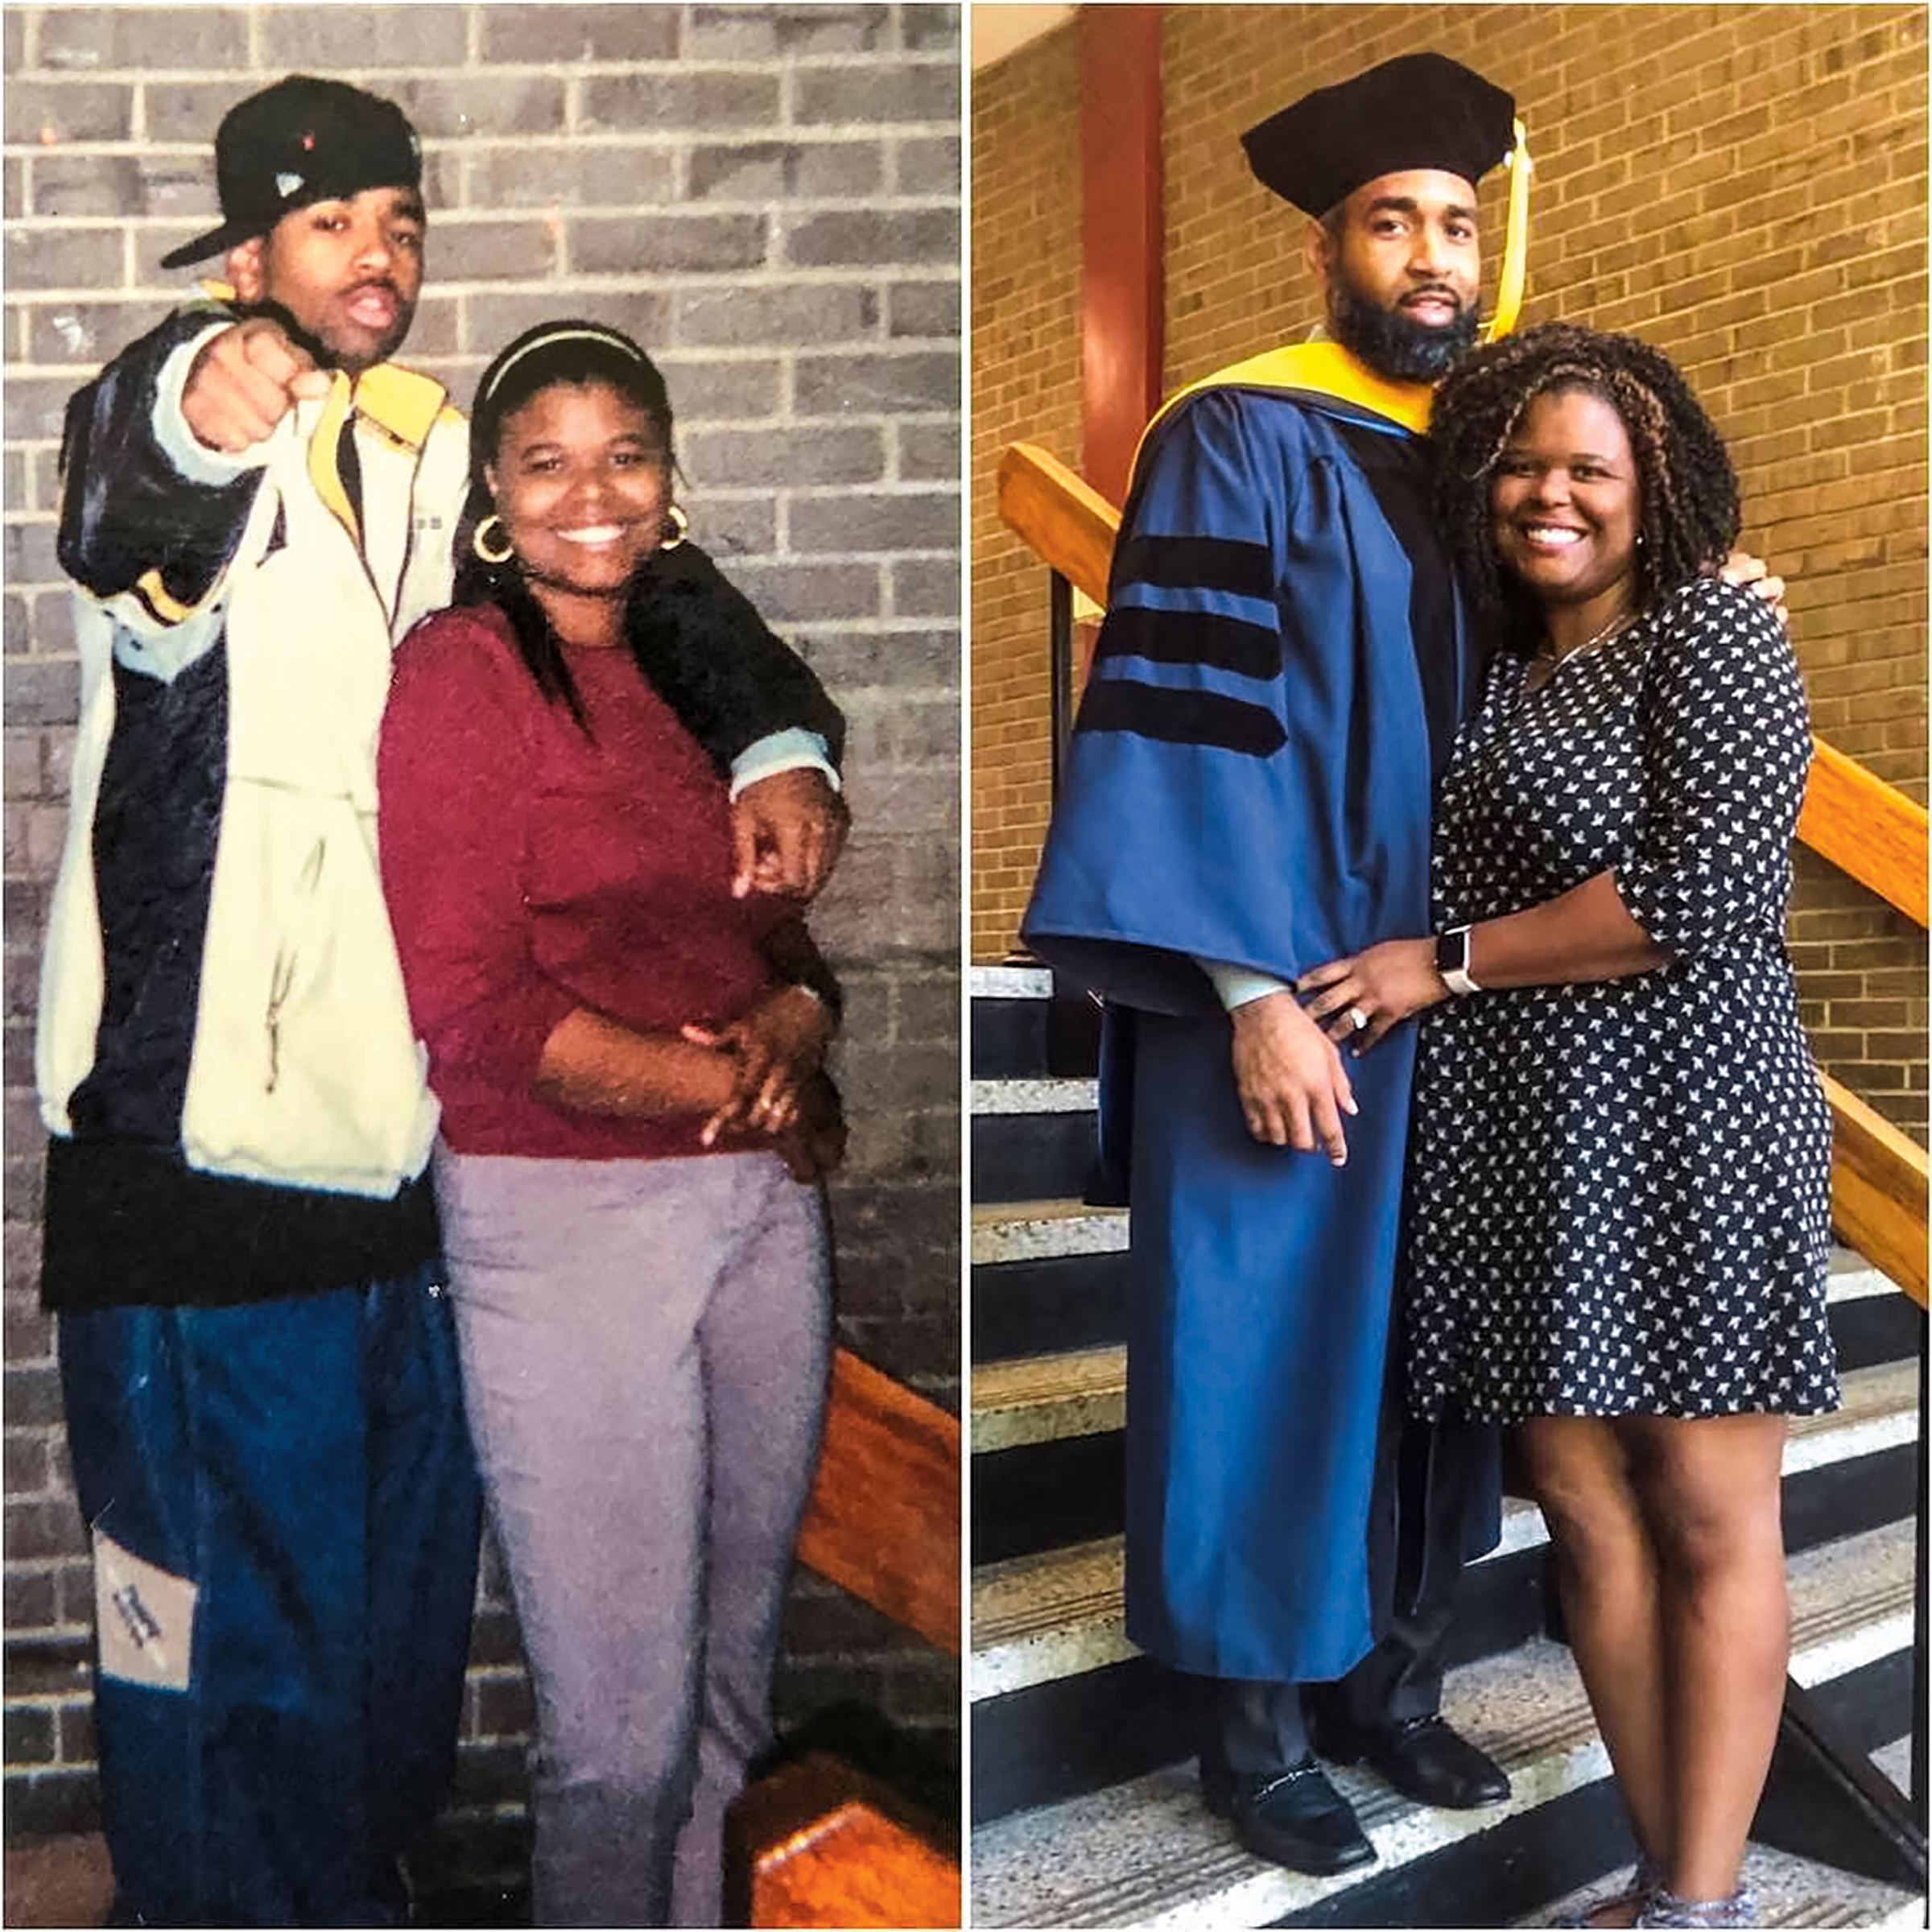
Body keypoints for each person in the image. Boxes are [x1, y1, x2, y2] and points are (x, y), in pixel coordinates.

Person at [37, 76, 844, 1926]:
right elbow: (121, 511)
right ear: (249, 261)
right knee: (215, 1637)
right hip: (191, 1167)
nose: (375, 258)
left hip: (400, 1156)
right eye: (329, 229)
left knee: (379, 1648)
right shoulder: (207, 433)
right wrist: (186, 389)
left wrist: (781, 738)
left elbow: (641, 572)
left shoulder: (425, 448)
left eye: (398, 221)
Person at [1021, 53, 1525, 1876]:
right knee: (1259, 1345)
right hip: (1291, 992)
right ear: (1331, 250)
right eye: (1391, 223)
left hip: (1445, 1002)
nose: (1430, 258)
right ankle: (1252, 1733)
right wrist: (1242, 994)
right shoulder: (1235, 436)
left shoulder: (1483, 467)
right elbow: (1175, 731)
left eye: (1456, 224)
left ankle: (1393, 1688)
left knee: (1420, 1358)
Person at [1298, 324, 1836, 1931]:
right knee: (1583, 1501)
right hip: (1528, 1132)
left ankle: (1701, 1901)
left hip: (1690, 1113)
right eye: (1522, 462)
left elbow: (1705, 891)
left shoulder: (1711, 633)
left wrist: (1440, 963)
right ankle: (1678, 1876)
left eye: (1588, 467)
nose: (1551, 493)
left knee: (1704, 1505)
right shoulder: (1490, 663)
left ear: (1652, 485)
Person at [377, 320, 846, 1930]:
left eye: (626, 453)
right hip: (564, 1222)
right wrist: (727, 1079)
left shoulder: (696, 670)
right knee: (618, 1742)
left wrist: (797, 1016)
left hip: (760, 1218)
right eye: (548, 459)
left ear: (669, 480)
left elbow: (762, 934)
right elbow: (472, 1007)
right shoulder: (463, 674)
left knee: (729, 1700)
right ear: (498, 498)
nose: (593, 491)